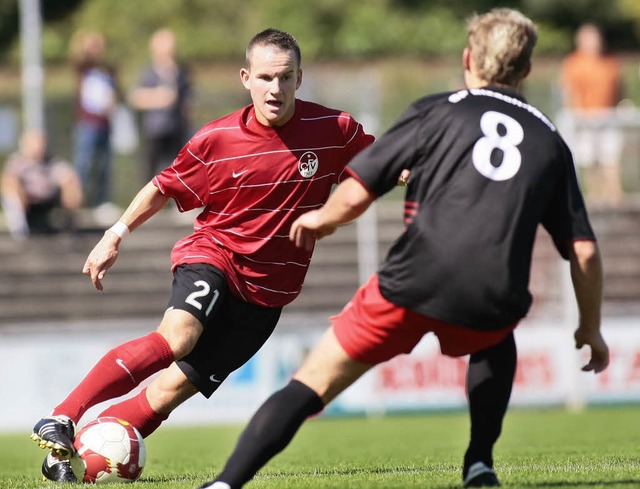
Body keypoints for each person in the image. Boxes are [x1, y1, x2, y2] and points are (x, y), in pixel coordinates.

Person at [196, 9, 610, 489]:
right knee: (496, 337)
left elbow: (359, 187)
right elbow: (584, 252)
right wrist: (591, 327)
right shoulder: (550, 141)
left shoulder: (437, 110)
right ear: (527, 70)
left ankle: (226, 484)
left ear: (468, 58)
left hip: (413, 277)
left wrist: (322, 218)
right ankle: (479, 463)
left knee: (311, 382)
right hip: (492, 288)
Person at [30, 28, 375, 482]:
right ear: (245, 78)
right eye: (266, 77)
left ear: (300, 78)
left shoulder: (334, 130)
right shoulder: (218, 139)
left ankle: (78, 462)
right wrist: (115, 233)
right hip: (215, 256)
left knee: (171, 390)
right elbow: (162, 186)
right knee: (179, 336)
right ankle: (63, 415)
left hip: (268, 295)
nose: (276, 89)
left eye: (286, 77)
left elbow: (389, 163)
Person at [559, 23, 624, 205]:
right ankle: (595, 195)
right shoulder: (573, 63)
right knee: (589, 159)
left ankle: (615, 196)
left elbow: (619, 89)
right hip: (584, 119)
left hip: (608, 116)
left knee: (610, 157)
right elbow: (569, 91)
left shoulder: (611, 62)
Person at [128, 28, 193, 184]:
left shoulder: (181, 72)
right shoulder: (147, 72)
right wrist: (158, 97)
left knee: (177, 168)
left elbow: (188, 99)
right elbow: (134, 97)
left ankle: (176, 203)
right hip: (155, 130)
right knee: (150, 170)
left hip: (177, 128)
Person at [69, 30, 120, 221]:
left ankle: (101, 201)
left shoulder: (107, 69)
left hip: (105, 122)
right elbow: (78, 57)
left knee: (104, 164)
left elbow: (115, 92)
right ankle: (74, 202)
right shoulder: (83, 67)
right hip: (87, 123)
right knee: (83, 162)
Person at [1, 129, 82, 239]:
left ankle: (69, 229)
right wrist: (19, 193)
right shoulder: (17, 162)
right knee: (10, 196)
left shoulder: (52, 162)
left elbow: (67, 176)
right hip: (26, 201)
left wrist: (70, 190)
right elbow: (8, 180)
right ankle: (20, 233)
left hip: (48, 200)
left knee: (72, 189)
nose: (38, 147)